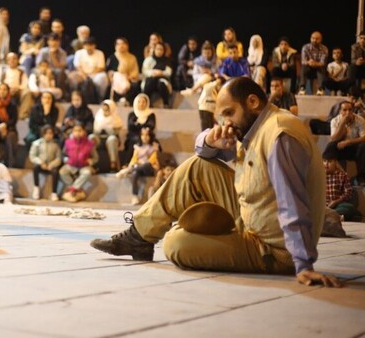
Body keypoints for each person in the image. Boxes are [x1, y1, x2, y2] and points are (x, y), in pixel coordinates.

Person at [90, 77, 342, 288]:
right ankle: (139, 237)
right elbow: (201, 153)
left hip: (273, 248)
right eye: (222, 117)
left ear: (252, 102)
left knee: (175, 244)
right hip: (254, 214)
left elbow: (292, 201)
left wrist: (302, 264)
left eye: (229, 113)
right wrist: (212, 141)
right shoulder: (255, 126)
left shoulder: (279, 135)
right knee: (197, 167)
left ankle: (171, 232)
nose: (226, 123)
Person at [115, 126, 160, 205]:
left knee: (145, 165)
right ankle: (135, 196)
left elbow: (152, 160)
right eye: (143, 135)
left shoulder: (153, 147)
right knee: (135, 173)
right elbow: (134, 159)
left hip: (149, 168)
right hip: (138, 168)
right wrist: (133, 164)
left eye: (147, 135)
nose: (145, 137)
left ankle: (128, 170)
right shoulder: (138, 147)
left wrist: (139, 164)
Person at [327, 100, 365, 185]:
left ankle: (361, 177)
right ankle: (332, 174)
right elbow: (333, 138)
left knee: (363, 146)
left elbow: (364, 137)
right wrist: (342, 123)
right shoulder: (335, 121)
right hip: (341, 148)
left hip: (355, 148)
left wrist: (348, 142)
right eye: (344, 110)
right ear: (340, 111)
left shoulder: (360, 120)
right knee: (331, 145)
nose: (348, 112)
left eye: (350, 110)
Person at [59, 122, 98, 203]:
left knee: (87, 173)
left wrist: (91, 161)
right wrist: (66, 160)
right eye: (75, 130)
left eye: (79, 130)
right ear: (72, 132)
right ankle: (77, 190)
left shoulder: (89, 143)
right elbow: (63, 155)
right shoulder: (68, 142)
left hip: (84, 166)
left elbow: (96, 158)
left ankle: (72, 190)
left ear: (84, 132)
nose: (77, 133)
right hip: (71, 165)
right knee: (62, 172)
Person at [322, 145, 361, 222]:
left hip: (337, 206)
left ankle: (332, 216)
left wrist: (336, 201)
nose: (326, 164)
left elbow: (348, 193)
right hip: (322, 206)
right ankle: (335, 217)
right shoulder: (319, 175)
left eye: (329, 162)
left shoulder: (342, 175)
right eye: (324, 161)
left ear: (335, 162)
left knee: (349, 208)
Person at [69, 36, 109, 104]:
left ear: (94, 46)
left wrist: (91, 75)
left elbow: (100, 67)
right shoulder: (79, 53)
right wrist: (84, 75)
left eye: (91, 45)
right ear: (84, 46)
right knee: (72, 77)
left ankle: (100, 98)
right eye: (87, 45)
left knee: (103, 78)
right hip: (81, 73)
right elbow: (78, 66)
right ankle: (74, 98)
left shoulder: (100, 53)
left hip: (95, 74)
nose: (89, 47)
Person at [28, 124, 62, 201]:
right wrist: (41, 162)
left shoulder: (55, 145)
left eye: (51, 133)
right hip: (41, 165)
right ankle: (36, 188)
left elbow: (59, 158)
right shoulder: (37, 143)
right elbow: (32, 156)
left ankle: (54, 192)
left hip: (51, 165)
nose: (49, 135)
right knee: (35, 168)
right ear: (43, 134)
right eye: (47, 133)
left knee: (56, 172)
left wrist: (52, 164)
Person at [91, 99, 123, 172]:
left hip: (111, 138)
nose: (105, 112)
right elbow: (95, 130)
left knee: (111, 139)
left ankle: (113, 165)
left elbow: (117, 132)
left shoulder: (116, 119)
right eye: (104, 110)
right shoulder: (98, 117)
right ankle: (93, 164)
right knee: (91, 137)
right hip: (100, 138)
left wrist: (110, 130)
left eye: (107, 110)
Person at [106, 37, 140, 105]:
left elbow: (135, 71)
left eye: (123, 44)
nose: (121, 46)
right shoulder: (112, 58)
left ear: (127, 45)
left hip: (129, 78)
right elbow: (108, 70)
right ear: (115, 46)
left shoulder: (132, 57)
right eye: (118, 44)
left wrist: (129, 77)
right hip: (115, 79)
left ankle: (126, 100)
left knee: (134, 85)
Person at [124, 93, 157, 162]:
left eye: (143, 102)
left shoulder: (151, 114)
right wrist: (142, 126)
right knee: (133, 142)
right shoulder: (132, 114)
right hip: (133, 136)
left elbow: (151, 126)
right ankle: (128, 163)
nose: (141, 104)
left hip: (147, 136)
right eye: (139, 102)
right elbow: (130, 126)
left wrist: (138, 125)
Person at [141, 42, 173, 108]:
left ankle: (166, 103)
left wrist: (161, 73)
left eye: (161, 49)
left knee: (161, 84)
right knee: (149, 82)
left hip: (162, 79)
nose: (159, 51)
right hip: (151, 78)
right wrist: (152, 72)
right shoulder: (149, 60)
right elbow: (144, 71)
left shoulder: (167, 60)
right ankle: (147, 102)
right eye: (157, 49)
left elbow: (169, 72)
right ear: (154, 50)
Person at [300, 30, 328, 95]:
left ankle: (320, 89)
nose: (314, 40)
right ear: (310, 38)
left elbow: (323, 63)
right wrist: (309, 62)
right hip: (308, 69)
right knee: (304, 67)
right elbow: (303, 61)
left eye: (317, 39)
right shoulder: (305, 47)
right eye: (313, 38)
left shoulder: (324, 49)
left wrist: (314, 63)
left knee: (321, 68)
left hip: (319, 70)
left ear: (321, 40)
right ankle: (302, 88)